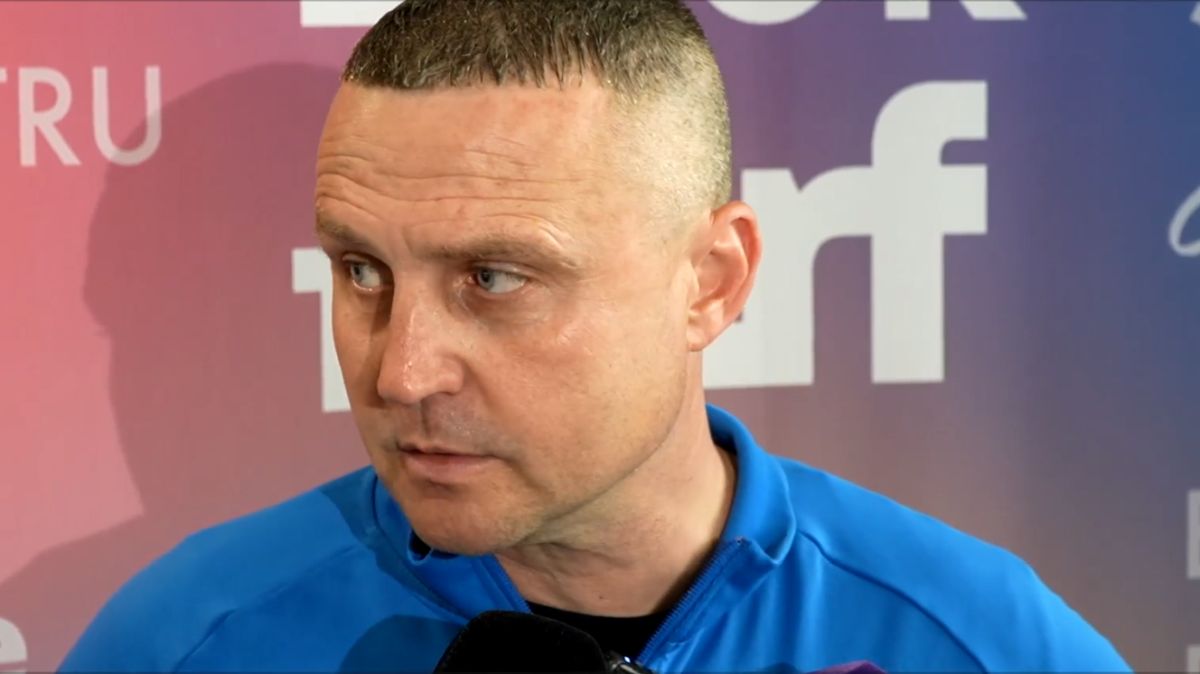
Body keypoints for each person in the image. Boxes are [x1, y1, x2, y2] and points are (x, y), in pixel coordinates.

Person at [60, 1, 1129, 672]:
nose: (401, 370)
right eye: (362, 271)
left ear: (712, 280)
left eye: (494, 278)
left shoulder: (981, 642)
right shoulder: (183, 643)